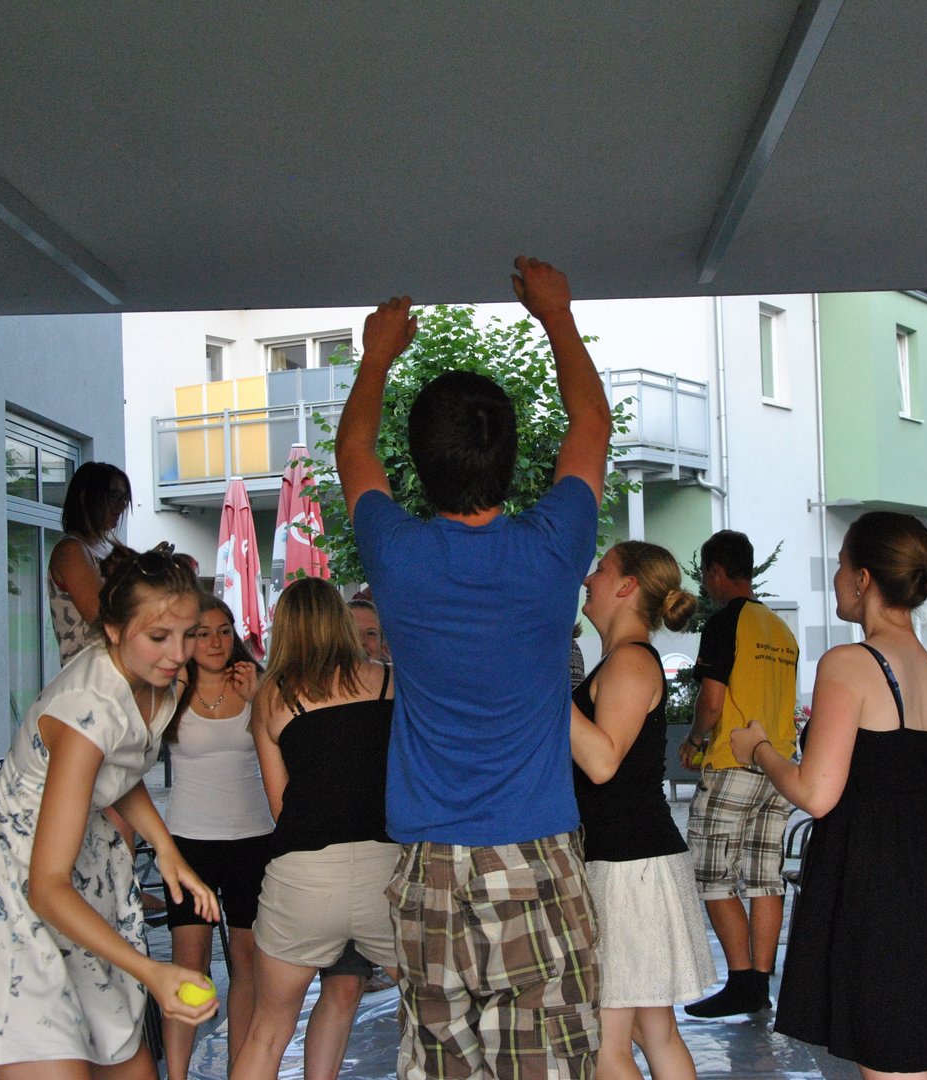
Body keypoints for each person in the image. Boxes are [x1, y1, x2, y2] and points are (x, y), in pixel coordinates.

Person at [337, 255, 612, 1079]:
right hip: (536, 859)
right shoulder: (553, 547)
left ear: (419, 463)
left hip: (428, 867)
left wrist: (377, 355)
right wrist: (556, 314)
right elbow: (591, 424)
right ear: (510, 458)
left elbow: (353, 447)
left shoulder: (396, 553)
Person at [0, 543, 221, 1077]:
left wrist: (165, 847)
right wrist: (153, 972)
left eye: (189, 634)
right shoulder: (86, 711)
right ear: (113, 630)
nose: (177, 653)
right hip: (7, 890)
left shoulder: (162, 680)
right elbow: (45, 887)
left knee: (130, 1067)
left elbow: (118, 770)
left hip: (81, 879)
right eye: (159, 636)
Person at [728, 511, 927, 1078]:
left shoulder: (849, 664)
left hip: (870, 891)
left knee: (891, 1063)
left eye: (841, 565)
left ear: (863, 579)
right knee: (915, 1060)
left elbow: (816, 794)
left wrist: (759, 750)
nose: (835, 578)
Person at [233, 577, 400, 1080]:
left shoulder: (270, 697)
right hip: (386, 869)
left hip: (303, 874)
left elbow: (280, 806)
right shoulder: (389, 681)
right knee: (433, 1016)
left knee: (267, 1032)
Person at [570, 541, 714, 1080]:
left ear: (627, 586)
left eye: (601, 570)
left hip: (627, 868)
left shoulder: (630, 660)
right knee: (654, 1031)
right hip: (634, 862)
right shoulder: (624, 659)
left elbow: (602, 761)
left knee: (606, 1048)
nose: (588, 578)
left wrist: (541, 690)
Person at [677, 529, 800, 1018]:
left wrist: (693, 741)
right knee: (764, 877)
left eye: (706, 575)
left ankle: (741, 980)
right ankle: (759, 984)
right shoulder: (780, 629)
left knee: (712, 874)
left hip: (732, 763)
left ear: (715, 571)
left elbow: (711, 702)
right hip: (778, 765)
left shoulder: (725, 621)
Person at [158, 595, 264, 1080]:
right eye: (203, 633)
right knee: (190, 963)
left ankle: (241, 1069)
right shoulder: (168, 687)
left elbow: (288, 743)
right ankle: (177, 1074)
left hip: (253, 839)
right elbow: (137, 747)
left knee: (247, 960)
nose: (216, 642)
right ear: (186, 639)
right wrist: (175, 685)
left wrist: (258, 698)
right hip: (188, 843)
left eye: (224, 630)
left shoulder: (255, 682)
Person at [49, 461, 133, 667]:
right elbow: (101, 617)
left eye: (124, 498)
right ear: (85, 496)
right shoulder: (71, 550)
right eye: (114, 496)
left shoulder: (106, 548)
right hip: (90, 674)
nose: (122, 505)